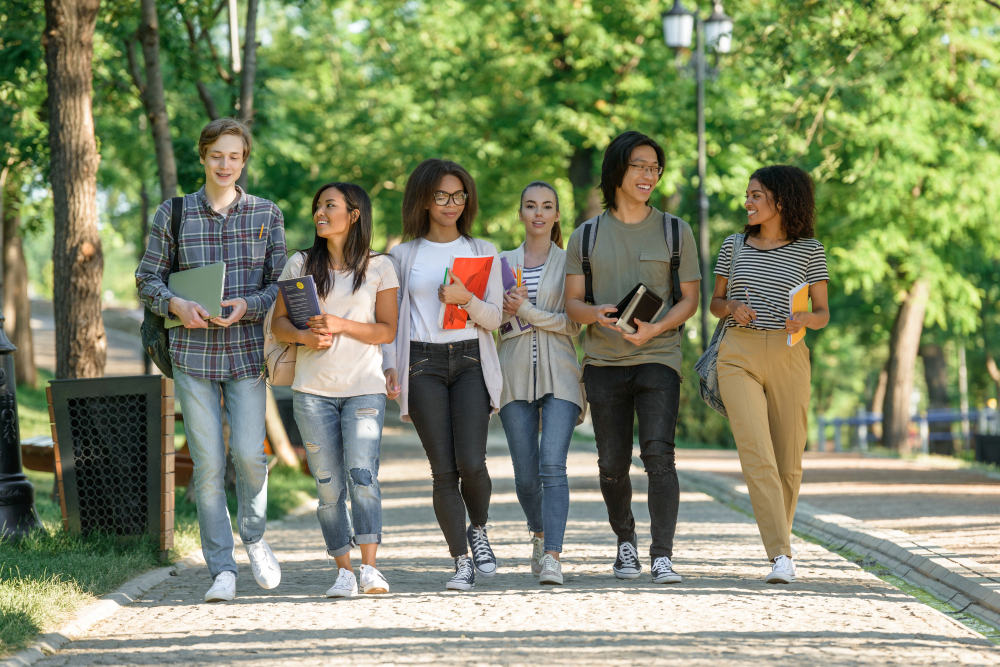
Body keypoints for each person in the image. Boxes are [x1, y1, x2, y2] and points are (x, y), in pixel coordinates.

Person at [136, 118, 286, 603]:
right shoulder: (173, 213)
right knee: (207, 465)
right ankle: (222, 569)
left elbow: (279, 285)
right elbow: (146, 280)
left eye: (235, 156)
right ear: (203, 156)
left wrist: (250, 306)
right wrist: (176, 304)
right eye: (217, 155)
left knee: (248, 454)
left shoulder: (268, 213)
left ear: (244, 160)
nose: (225, 164)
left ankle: (256, 536)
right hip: (192, 355)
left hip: (245, 354)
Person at [565, 130, 700, 584]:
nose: (648, 175)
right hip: (603, 363)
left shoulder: (674, 230)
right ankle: (626, 542)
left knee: (659, 455)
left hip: (660, 355)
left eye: (654, 168)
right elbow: (573, 303)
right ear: (617, 170)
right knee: (611, 463)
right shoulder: (585, 236)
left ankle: (663, 554)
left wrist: (657, 328)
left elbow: (689, 300)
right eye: (639, 166)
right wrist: (597, 315)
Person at [382, 158, 504, 591]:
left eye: (458, 195)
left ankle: (480, 530)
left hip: (470, 360)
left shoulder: (483, 250)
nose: (451, 204)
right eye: (441, 196)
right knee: (442, 469)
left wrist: (466, 298)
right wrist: (390, 367)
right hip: (422, 364)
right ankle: (460, 561)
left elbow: (495, 318)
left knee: (472, 462)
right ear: (424, 200)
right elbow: (391, 319)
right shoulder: (402, 255)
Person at [271, 182, 398, 598]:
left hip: (364, 389)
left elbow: (386, 330)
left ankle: (370, 568)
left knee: (363, 477)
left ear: (354, 213)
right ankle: (342, 569)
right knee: (328, 486)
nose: (319, 213)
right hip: (312, 392)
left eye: (330, 205)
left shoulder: (380, 266)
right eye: (317, 206)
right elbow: (279, 325)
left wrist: (341, 324)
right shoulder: (301, 263)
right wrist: (305, 338)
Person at [710, 165, 829, 584]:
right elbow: (715, 302)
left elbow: (823, 313)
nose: (748, 201)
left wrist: (805, 320)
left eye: (756, 195)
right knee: (757, 454)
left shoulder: (810, 250)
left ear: (781, 199)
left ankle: (782, 543)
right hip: (738, 351)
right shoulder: (733, 245)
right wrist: (730, 309)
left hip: (789, 353)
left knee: (788, 463)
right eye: (748, 194)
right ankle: (781, 554)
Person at [497, 181, 584, 586]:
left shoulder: (570, 262)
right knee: (526, 475)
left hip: (562, 374)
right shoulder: (500, 262)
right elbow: (489, 321)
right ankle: (538, 530)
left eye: (546, 206)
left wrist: (527, 309)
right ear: (520, 213)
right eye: (530, 205)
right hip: (512, 375)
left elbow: (573, 324)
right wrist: (500, 310)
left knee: (553, 464)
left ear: (556, 215)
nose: (538, 213)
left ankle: (553, 555)